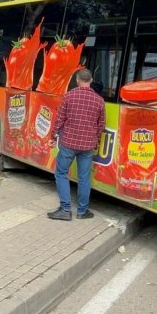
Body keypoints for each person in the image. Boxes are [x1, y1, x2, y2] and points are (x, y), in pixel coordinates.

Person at [48, 68, 106, 221]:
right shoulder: (99, 101)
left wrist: (52, 136)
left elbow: (60, 119)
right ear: (91, 81)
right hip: (87, 146)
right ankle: (82, 211)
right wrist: (96, 140)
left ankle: (65, 210)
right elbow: (101, 125)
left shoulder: (69, 96)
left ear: (78, 80)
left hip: (68, 143)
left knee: (61, 173)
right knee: (84, 177)